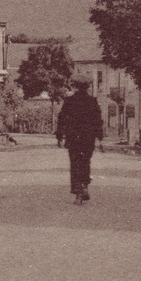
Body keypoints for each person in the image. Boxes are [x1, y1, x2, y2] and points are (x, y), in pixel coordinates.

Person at [57, 74, 103, 205]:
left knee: (75, 163)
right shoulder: (92, 101)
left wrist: (59, 135)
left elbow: (62, 119)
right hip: (88, 138)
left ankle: (78, 192)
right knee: (85, 162)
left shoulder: (69, 101)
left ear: (75, 86)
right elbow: (97, 121)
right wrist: (100, 138)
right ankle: (85, 186)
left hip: (73, 138)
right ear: (88, 87)